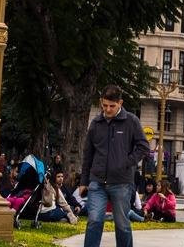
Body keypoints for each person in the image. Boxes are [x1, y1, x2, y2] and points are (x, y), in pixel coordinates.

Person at [80, 84, 149, 247]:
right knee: (94, 220)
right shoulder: (95, 123)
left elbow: (143, 147)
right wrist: (84, 181)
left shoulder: (131, 121)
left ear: (120, 103)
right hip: (97, 182)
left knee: (122, 225)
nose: (108, 109)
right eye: (104, 105)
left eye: (112, 106)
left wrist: (127, 162)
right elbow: (88, 154)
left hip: (122, 183)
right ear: (100, 102)